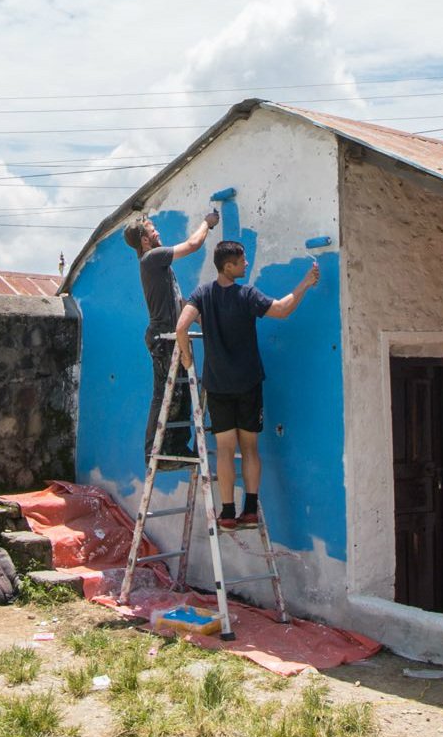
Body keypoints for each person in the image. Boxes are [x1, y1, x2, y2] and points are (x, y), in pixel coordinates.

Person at [172, 240, 322, 529]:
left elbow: (181, 327)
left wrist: (187, 358)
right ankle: (250, 509)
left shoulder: (202, 294)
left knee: (225, 449)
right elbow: (281, 310)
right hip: (248, 384)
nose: (246, 264)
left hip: (217, 386)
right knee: (250, 448)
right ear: (228, 266)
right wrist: (304, 283)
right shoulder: (247, 295)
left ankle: (228, 512)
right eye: (241, 262)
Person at [124, 208, 219, 457]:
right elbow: (193, 244)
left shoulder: (160, 266)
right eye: (153, 230)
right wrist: (207, 224)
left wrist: (203, 321)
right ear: (146, 240)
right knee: (163, 394)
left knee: (182, 392)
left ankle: (176, 447)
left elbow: (179, 302)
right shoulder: (152, 257)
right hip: (162, 336)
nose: (158, 233)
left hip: (169, 334)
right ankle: (153, 451)